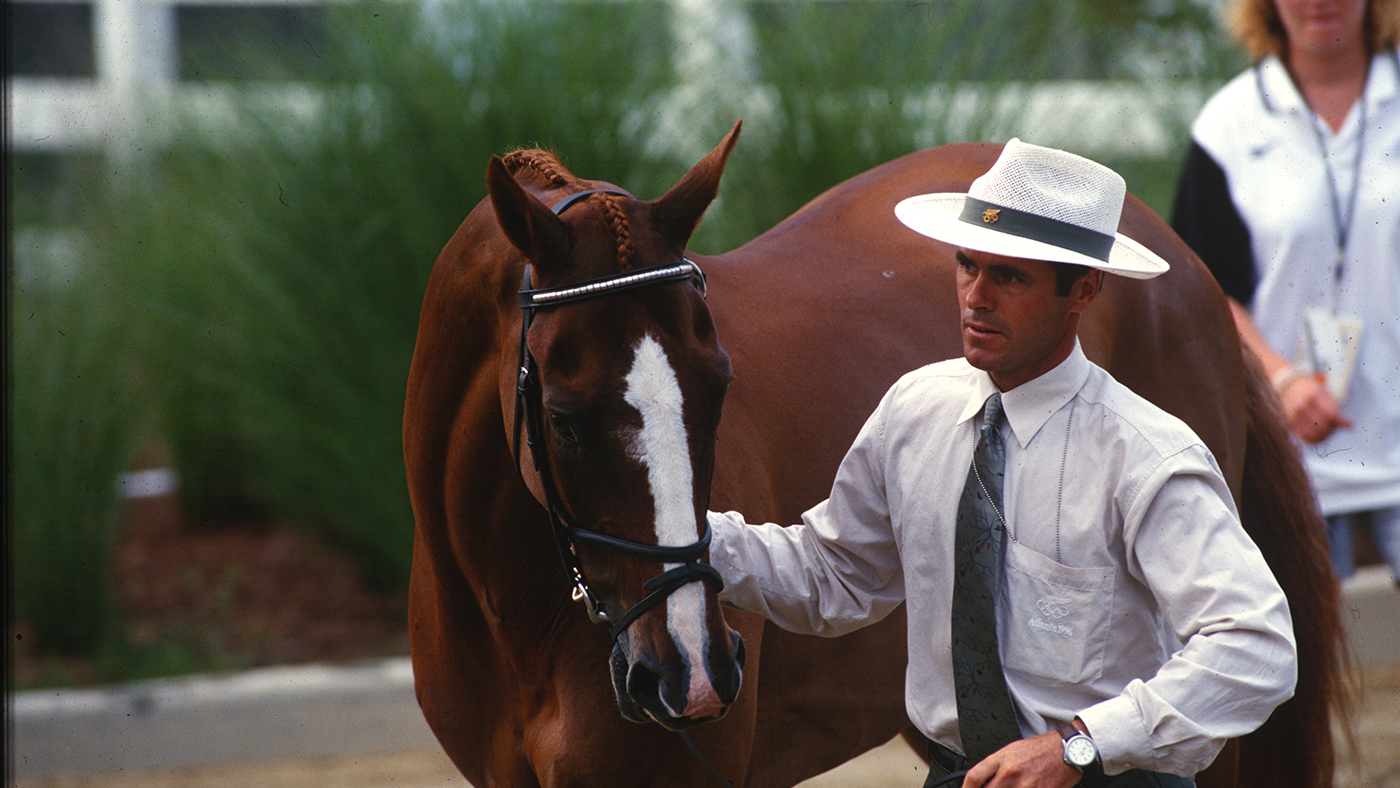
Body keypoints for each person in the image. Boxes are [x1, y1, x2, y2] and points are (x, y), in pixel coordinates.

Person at [706, 139, 1297, 788]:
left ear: (1084, 291)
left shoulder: (1145, 456)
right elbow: (834, 573)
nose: (975, 297)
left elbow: (1257, 646)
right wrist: (690, 540)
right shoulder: (914, 412)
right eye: (967, 265)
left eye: (1010, 276)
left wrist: (1080, 746)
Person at [1170, 0, 1400, 586]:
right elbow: (1206, 283)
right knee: (1306, 670)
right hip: (1295, 452)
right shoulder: (1229, 124)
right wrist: (1281, 380)